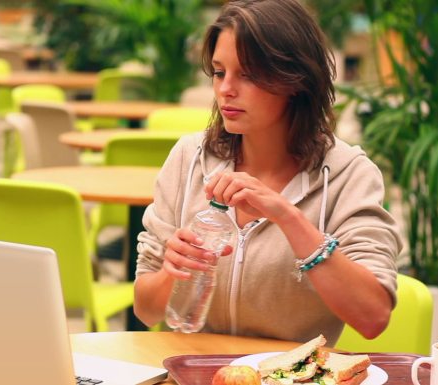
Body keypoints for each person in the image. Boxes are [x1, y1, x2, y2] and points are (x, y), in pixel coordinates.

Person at [133, 0, 402, 346]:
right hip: (192, 371)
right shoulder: (189, 158)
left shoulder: (348, 174)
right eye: (219, 72)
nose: (225, 89)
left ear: (295, 79)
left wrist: (288, 216)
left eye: (247, 74)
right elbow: (145, 309)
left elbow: (373, 317)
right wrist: (173, 270)